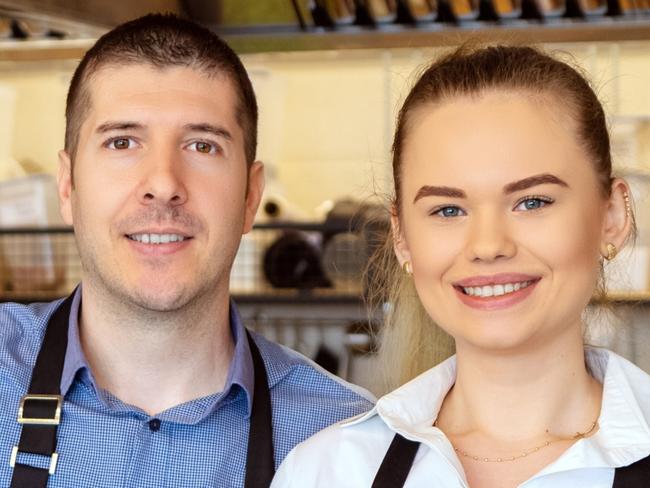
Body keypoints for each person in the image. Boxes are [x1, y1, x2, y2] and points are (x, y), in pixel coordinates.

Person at [0, 14, 373, 488]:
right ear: (68, 185)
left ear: (250, 196)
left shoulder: (347, 445)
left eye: (202, 145)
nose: (163, 184)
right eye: (122, 142)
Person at [272, 45, 650, 487]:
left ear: (613, 217)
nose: (488, 246)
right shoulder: (331, 471)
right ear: (401, 237)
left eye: (532, 201)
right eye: (448, 210)